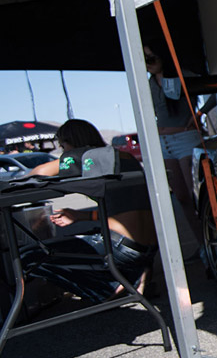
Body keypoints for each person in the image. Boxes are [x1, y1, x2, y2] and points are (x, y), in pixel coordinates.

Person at [20, 119, 157, 302]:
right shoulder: (123, 157)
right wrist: (80, 215)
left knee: (28, 256)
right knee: (89, 235)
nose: (63, 152)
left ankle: (108, 288)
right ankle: (135, 274)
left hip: (121, 248)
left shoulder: (88, 157)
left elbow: (40, 171)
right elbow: (126, 209)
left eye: (63, 146)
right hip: (149, 247)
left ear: (72, 143)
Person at [143, 41, 204, 242]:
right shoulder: (149, 83)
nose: (148, 63)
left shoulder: (183, 75)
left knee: (197, 196)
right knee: (182, 197)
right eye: (144, 60)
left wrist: (200, 114)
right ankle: (201, 244)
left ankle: (215, 240)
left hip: (185, 139)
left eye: (151, 58)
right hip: (164, 143)